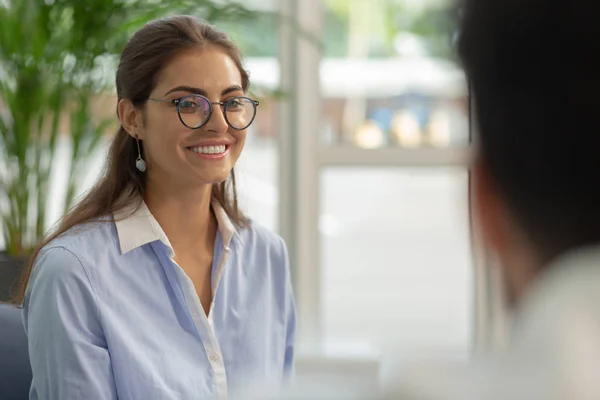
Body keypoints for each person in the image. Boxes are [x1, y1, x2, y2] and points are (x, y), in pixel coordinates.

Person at [18, 15, 296, 400]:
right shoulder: (73, 272)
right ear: (133, 119)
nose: (219, 123)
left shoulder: (268, 256)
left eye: (232, 102)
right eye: (188, 103)